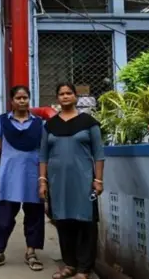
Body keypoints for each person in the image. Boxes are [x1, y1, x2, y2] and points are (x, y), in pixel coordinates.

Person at [39, 83, 105, 279]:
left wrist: (98, 180)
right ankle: (69, 264)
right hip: (58, 183)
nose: (65, 96)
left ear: (75, 97)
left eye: (69, 93)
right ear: (57, 98)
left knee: (85, 223)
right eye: (61, 94)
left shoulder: (88, 123)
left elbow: (99, 154)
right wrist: (42, 181)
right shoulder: (50, 125)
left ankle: (84, 269)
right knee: (63, 221)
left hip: (84, 181)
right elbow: (42, 155)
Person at [0, 85, 45, 272]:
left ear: (29, 99)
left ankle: (31, 252)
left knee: (34, 217)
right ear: (12, 101)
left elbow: (44, 152)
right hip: (8, 176)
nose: (22, 101)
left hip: (32, 176)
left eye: (25, 97)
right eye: (18, 98)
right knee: (3, 218)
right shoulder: (3, 121)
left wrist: (44, 178)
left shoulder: (39, 124)